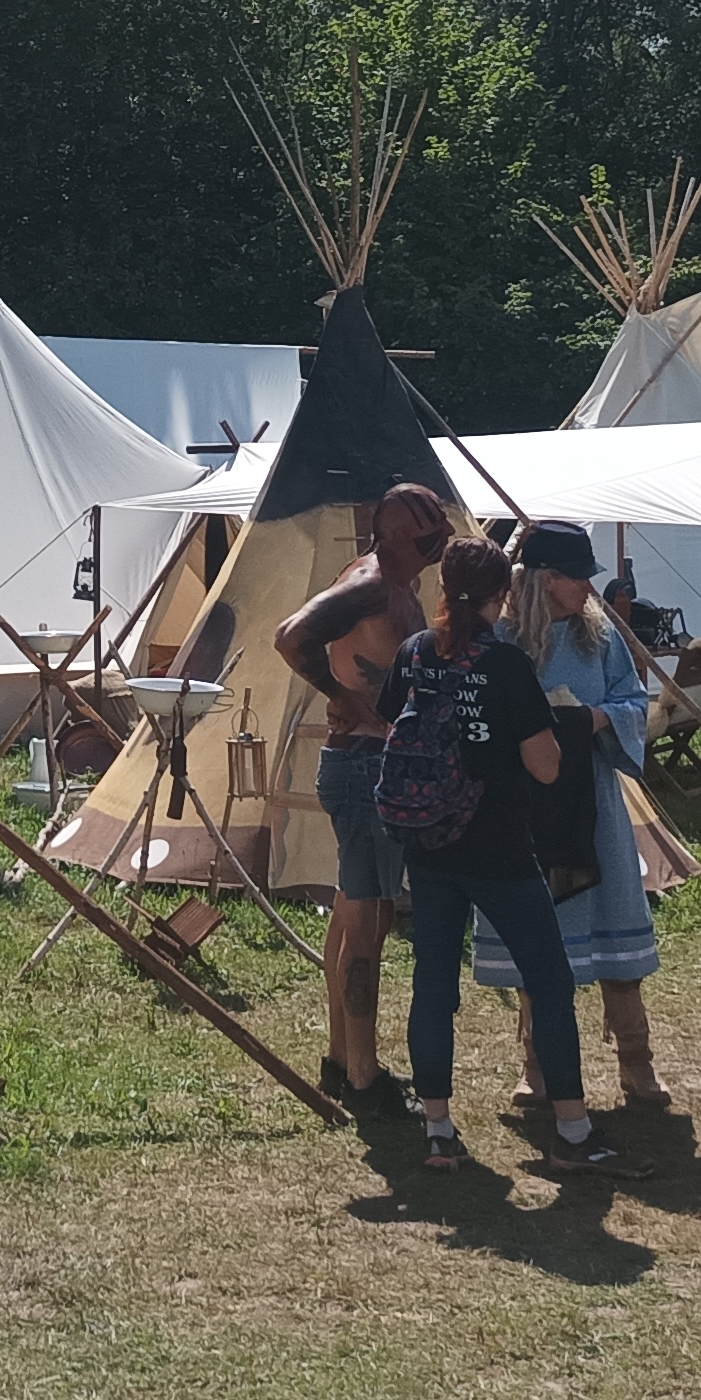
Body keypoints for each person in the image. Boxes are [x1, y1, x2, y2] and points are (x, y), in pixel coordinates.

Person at [381, 537, 630, 1176]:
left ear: (444, 589)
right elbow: (545, 767)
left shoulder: (415, 653)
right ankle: (572, 1132)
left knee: (433, 985)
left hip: (429, 845)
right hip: (499, 848)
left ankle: (439, 1130)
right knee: (550, 981)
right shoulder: (505, 664)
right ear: (503, 594)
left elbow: (391, 724)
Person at [471, 519, 670, 1112]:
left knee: (615, 929)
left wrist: (595, 719)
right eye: (577, 576)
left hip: (595, 802)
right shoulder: (501, 639)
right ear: (544, 579)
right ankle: (537, 1068)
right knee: (537, 939)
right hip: (525, 806)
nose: (588, 587)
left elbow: (634, 700)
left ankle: (636, 1064)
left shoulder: (600, 637)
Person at [272, 480, 452, 1114]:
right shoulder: (371, 583)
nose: (440, 543)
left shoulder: (395, 585)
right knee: (370, 922)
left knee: (352, 913)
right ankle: (365, 1076)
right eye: (429, 534)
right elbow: (292, 635)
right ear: (399, 535)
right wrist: (342, 697)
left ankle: (341, 1057)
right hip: (364, 766)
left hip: (370, 763)